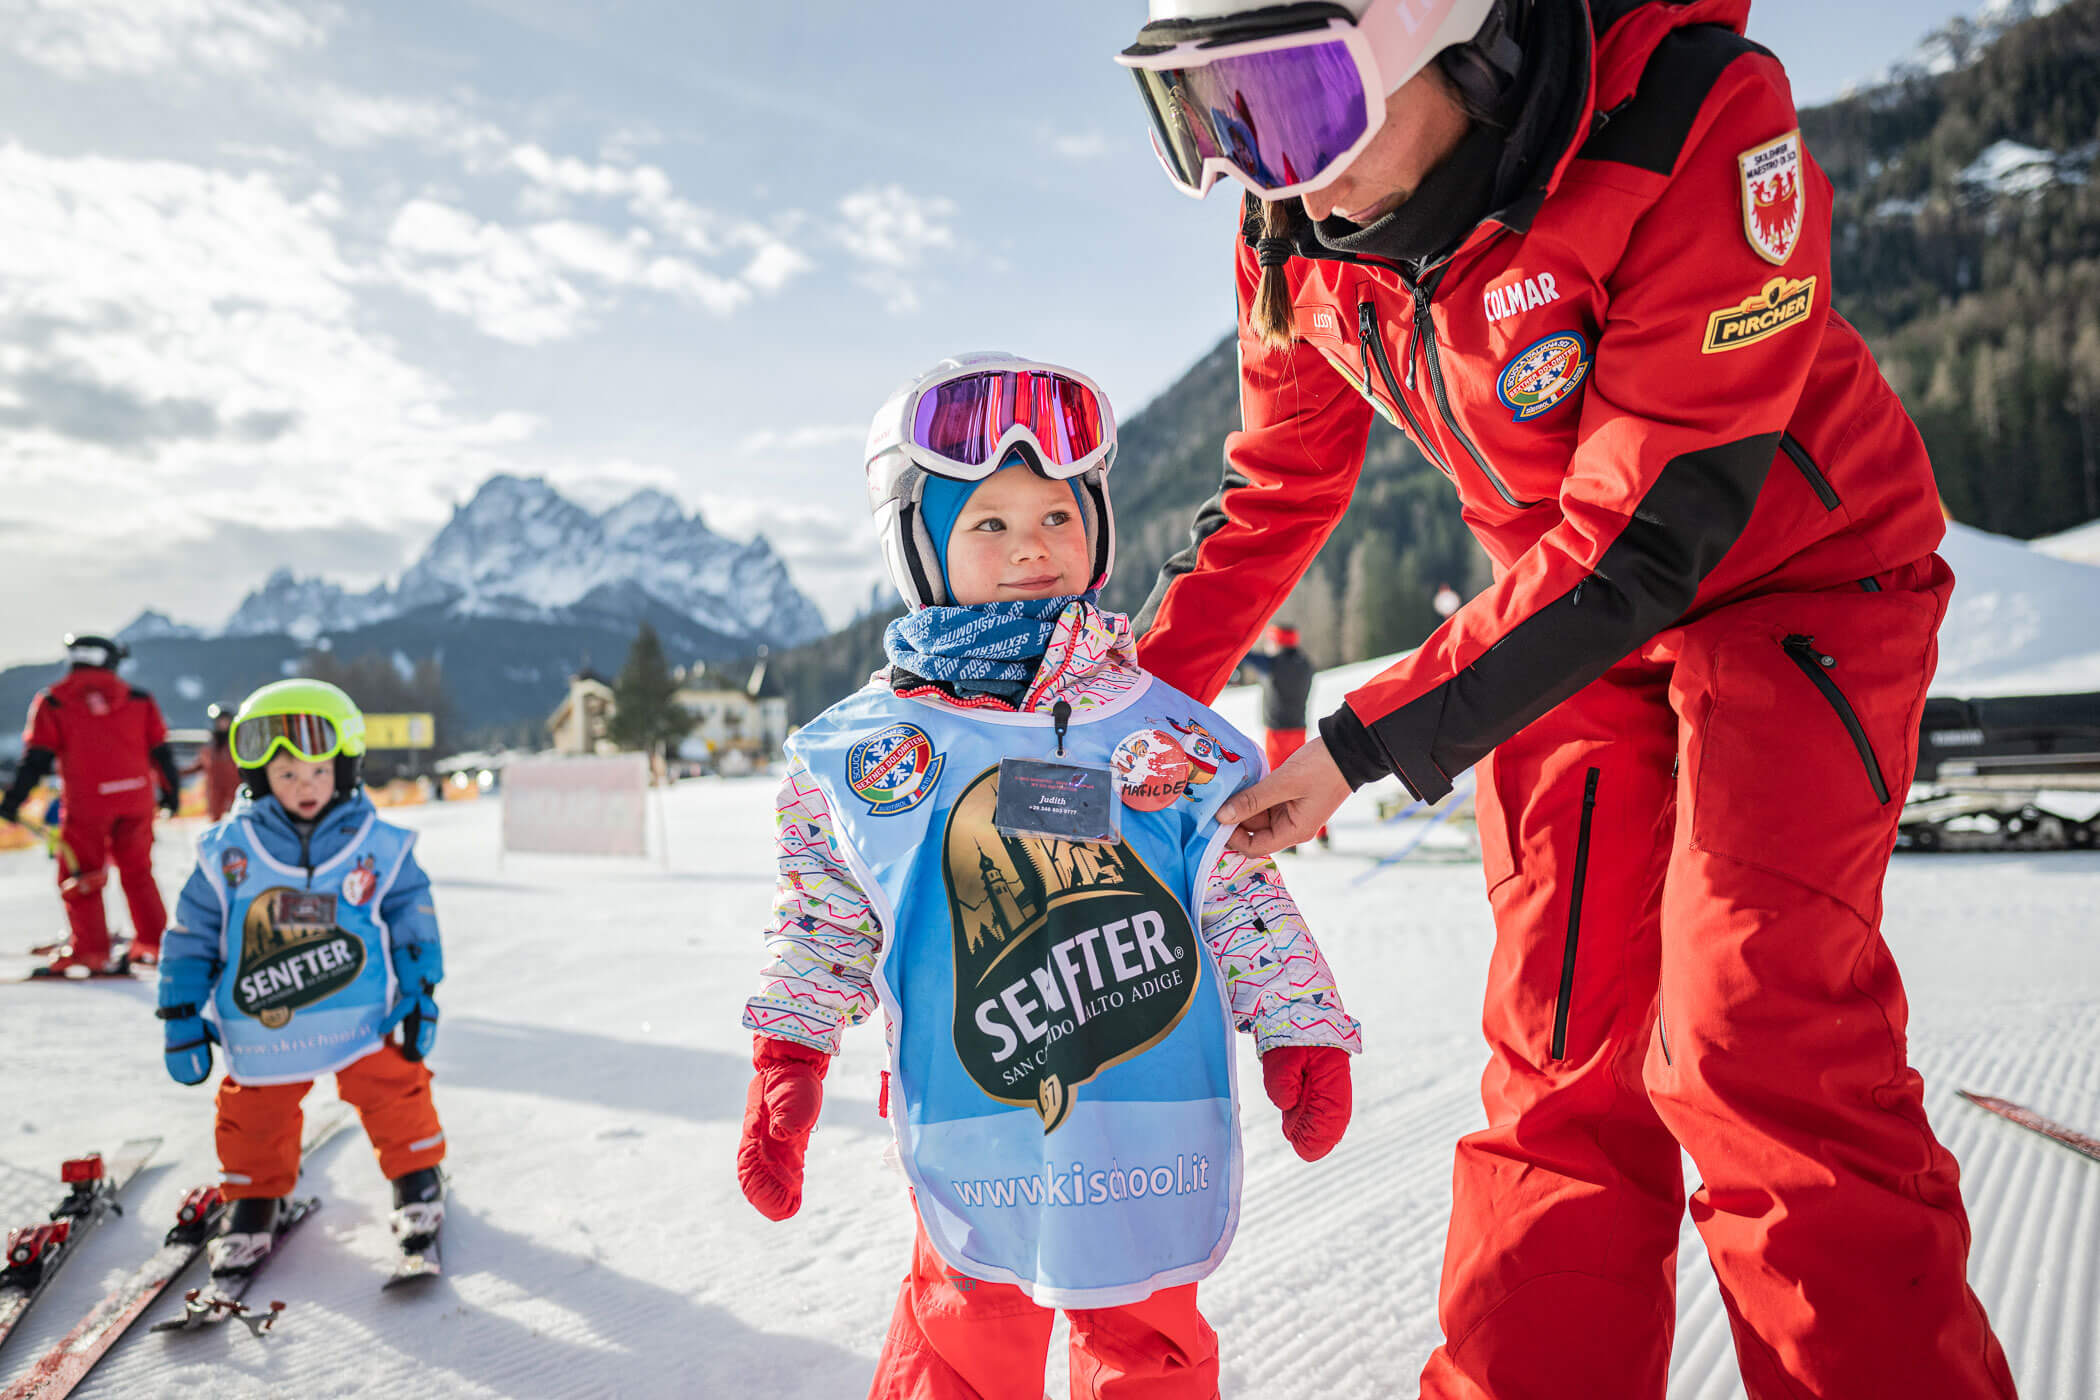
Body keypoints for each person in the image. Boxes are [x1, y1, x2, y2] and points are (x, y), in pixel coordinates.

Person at [1116, 2, 2014, 1397]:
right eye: (1208, 120)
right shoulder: (1295, 226)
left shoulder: (1686, 121)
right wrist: (1112, 720)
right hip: (1554, 629)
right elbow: (1278, 486)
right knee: (1558, 1062)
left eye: (1286, 105)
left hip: (1794, 587)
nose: (1266, 169)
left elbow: (1649, 531)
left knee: (1750, 1037)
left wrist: (1358, 743)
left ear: (1449, 35)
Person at [736, 354, 1360, 1399]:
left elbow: (1241, 889)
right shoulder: (872, 752)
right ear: (920, 546)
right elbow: (827, 917)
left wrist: (1300, 1019)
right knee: (963, 1327)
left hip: (1144, 1114)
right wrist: (786, 1048)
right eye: (987, 522)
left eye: (1058, 516)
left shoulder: (1165, 733)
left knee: (1147, 1330)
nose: (1032, 543)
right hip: (979, 1115)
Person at [156, 679, 447, 1279]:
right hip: (264, 1025)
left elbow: (412, 915)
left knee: (395, 1088)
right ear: (260, 779)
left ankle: (417, 1173)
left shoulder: (377, 845)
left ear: (344, 769)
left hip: (359, 1015)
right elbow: (191, 934)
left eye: (318, 772)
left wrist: (419, 989)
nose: (305, 787)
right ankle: (255, 1198)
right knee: (253, 1115)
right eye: (286, 775)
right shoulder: (226, 853)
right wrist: (181, 1010)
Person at [0, 633, 179, 974]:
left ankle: (91, 949)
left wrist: (13, 801)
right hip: (137, 799)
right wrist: (172, 795)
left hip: (88, 804)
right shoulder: (139, 699)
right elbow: (161, 751)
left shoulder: (54, 701)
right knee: (138, 871)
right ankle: (155, 943)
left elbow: (36, 758)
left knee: (81, 874)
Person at [1237, 622, 1326, 849]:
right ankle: (1322, 832)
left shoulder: (1274, 664)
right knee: (1306, 782)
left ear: (1276, 643)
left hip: (1277, 733)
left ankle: (1288, 840)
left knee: (1278, 785)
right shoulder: (1305, 664)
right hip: (1299, 729)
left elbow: (1245, 655)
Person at [183, 703, 244, 821]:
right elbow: (201, 764)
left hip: (234, 789)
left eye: (226, 721)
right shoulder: (211, 745)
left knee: (237, 819)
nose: (223, 724)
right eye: (220, 721)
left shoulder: (238, 741)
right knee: (215, 820)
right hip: (215, 792)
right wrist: (178, 773)